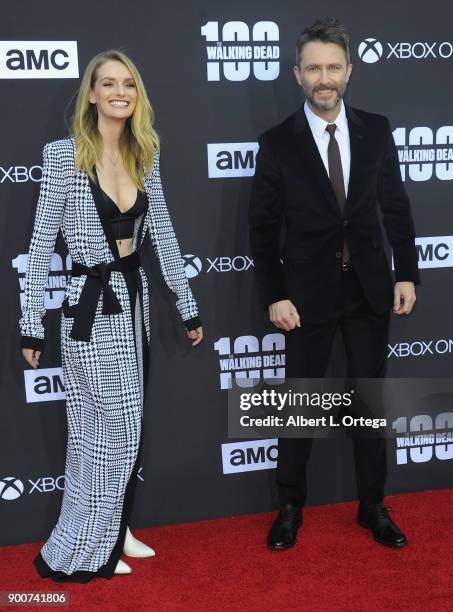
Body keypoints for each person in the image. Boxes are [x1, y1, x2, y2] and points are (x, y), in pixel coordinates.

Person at [19, 49, 203, 582]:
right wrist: (32, 323)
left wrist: (186, 306)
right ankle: (90, 545)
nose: (120, 91)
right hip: (87, 308)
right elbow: (40, 246)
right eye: (108, 83)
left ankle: (113, 528)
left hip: (134, 304)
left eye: (129, 83)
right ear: (92, 94)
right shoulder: (63, 156)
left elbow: (162, 234)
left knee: (119, 430)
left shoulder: (147, 153)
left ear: (136, 95)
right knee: (103, 431)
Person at [249, 18, 419, 551]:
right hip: (304, 298)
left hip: (370, 289)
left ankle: (372, 507)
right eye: (314, 68)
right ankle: (290, 508)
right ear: (297, 73)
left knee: (369, 404)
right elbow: (262, 226)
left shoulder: (377, 128)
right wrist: (275, 293)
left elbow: (394, 205)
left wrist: (407, 271)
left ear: (349, 70)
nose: (325, 78)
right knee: (301, 404)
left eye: (334, 67)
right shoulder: (278, 142)